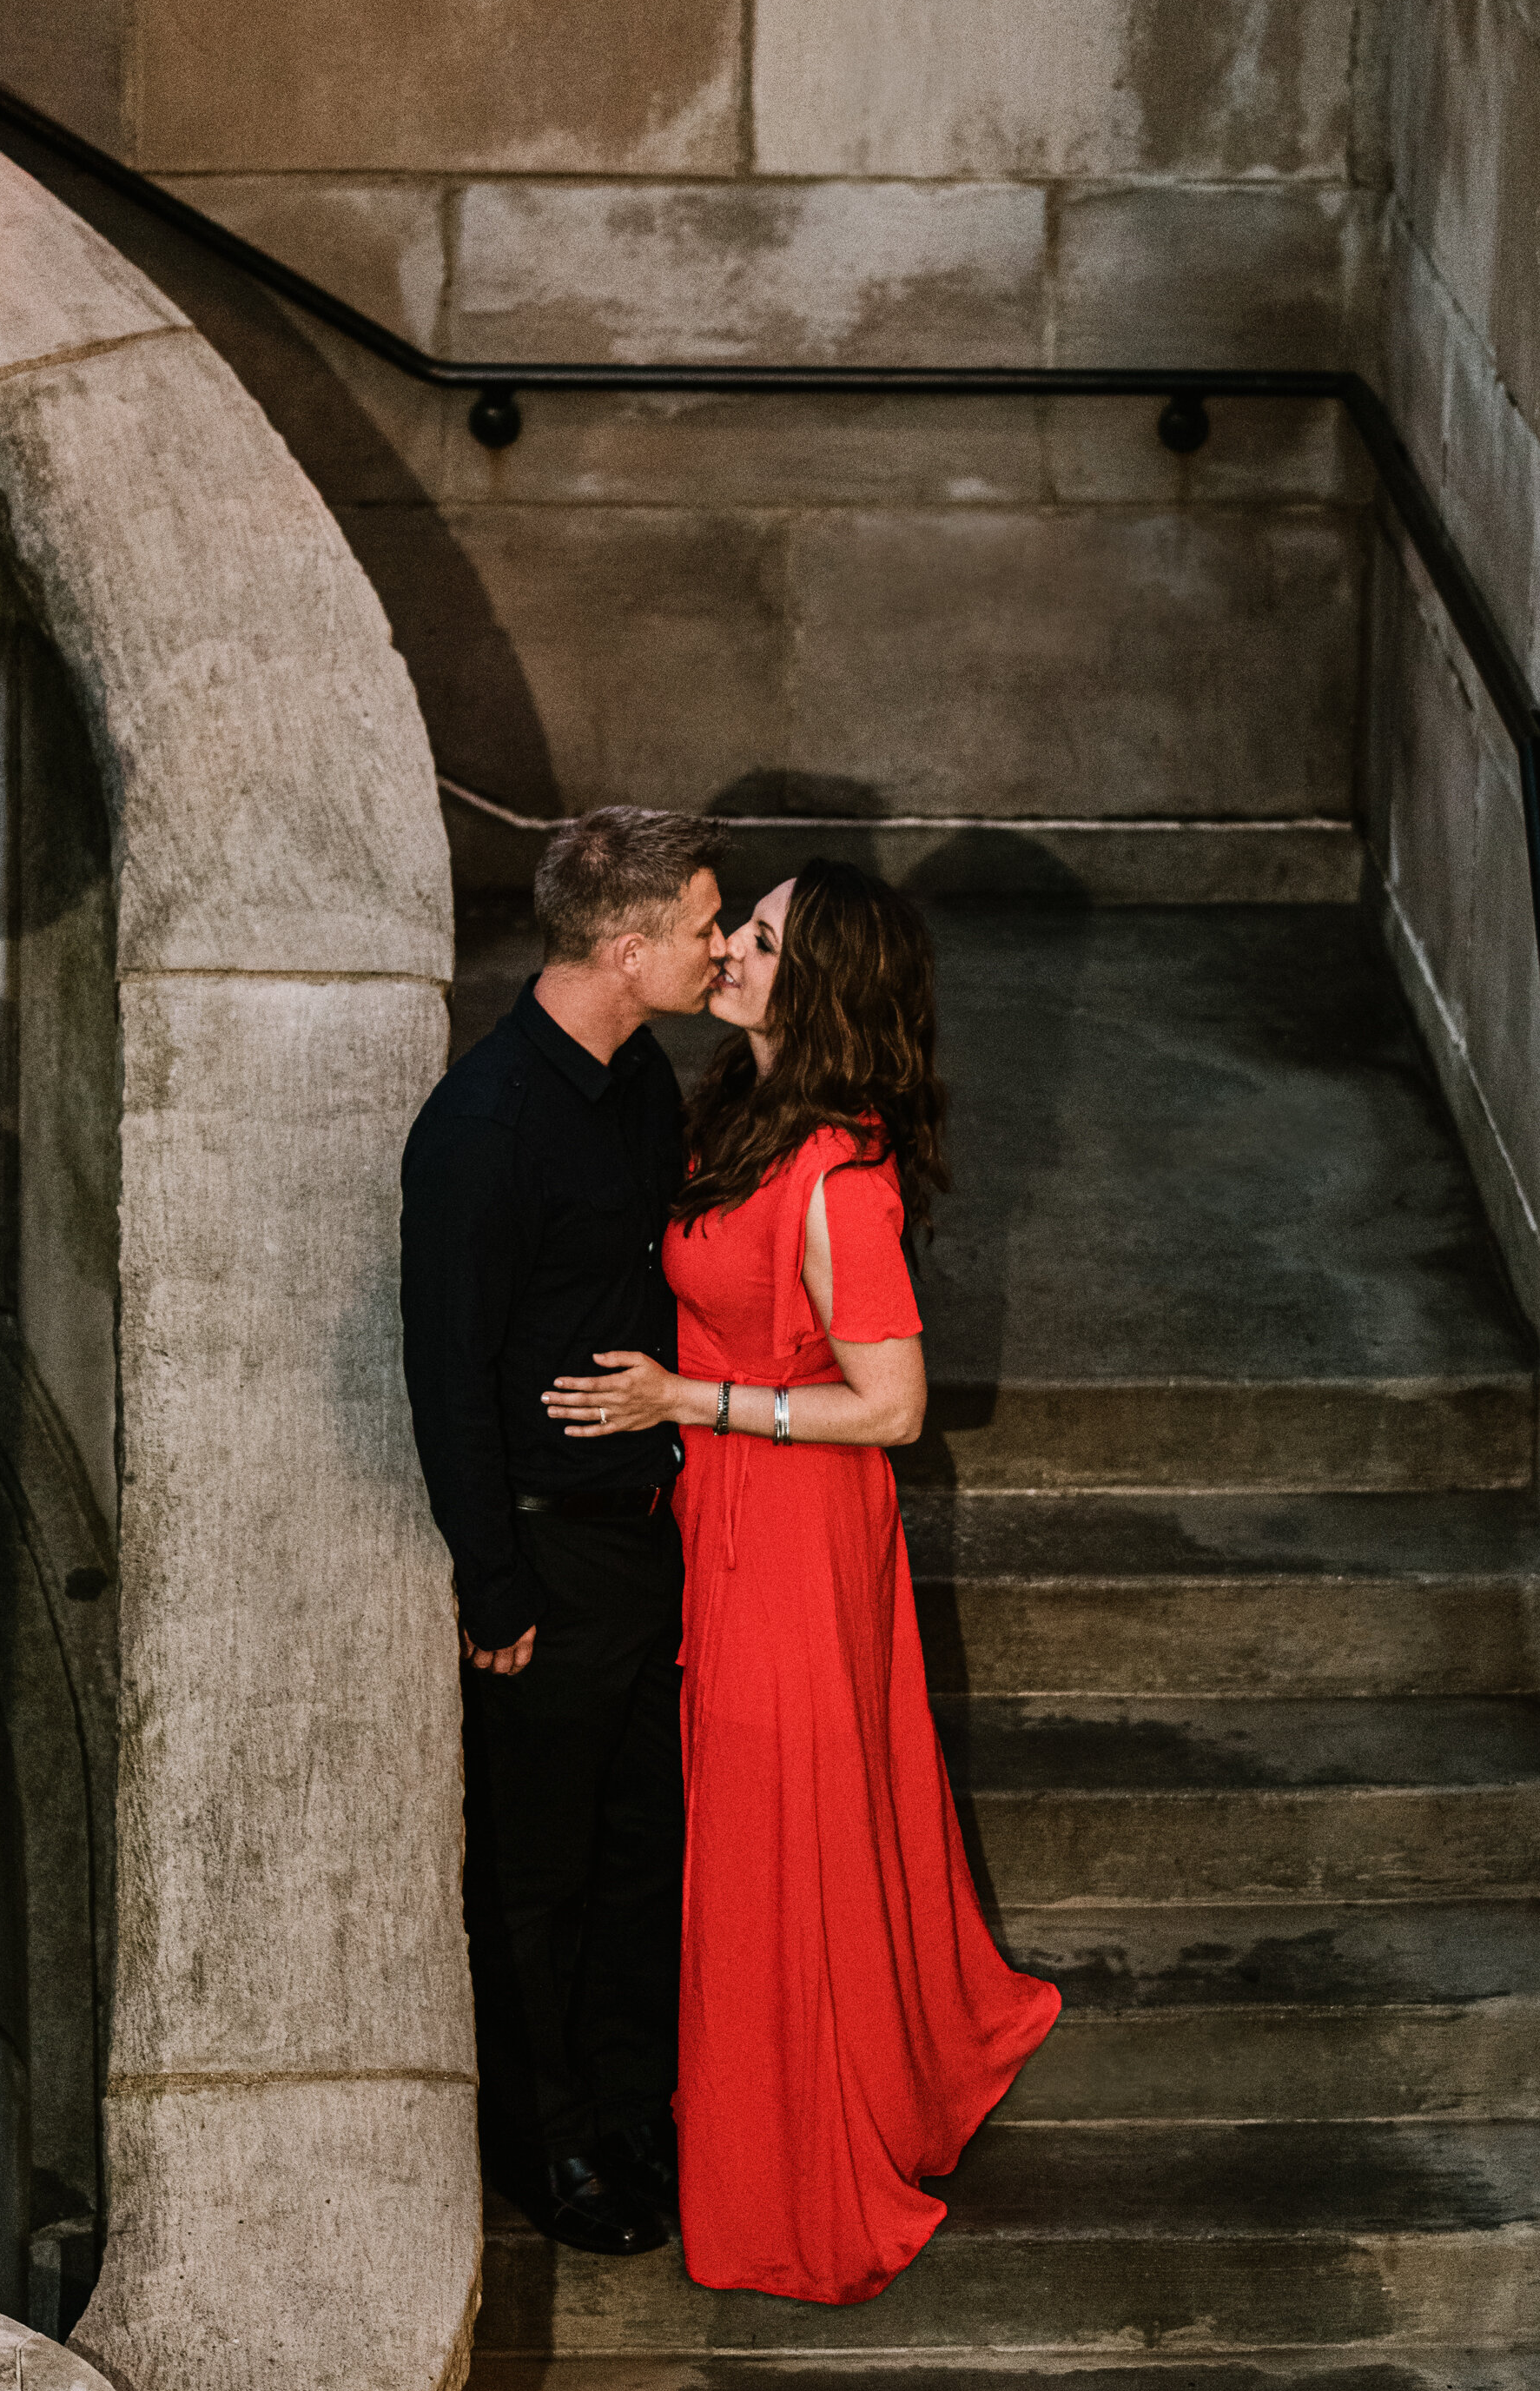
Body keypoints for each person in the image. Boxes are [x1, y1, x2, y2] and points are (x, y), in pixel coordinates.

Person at [543, 859, 1060, 2306]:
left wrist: (688, 1402)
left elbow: (892, 1405)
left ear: (815, 984)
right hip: (728, 1513)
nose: (729, 950)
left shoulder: (836, 1176)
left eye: (758, 940)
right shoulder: (738, 1108)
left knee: (775, 1836)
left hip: (787, 1523)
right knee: (742, 1822)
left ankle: (800, 2155)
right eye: (739, 928)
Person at [400, 806, 727, 2257]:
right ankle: (549, 2150)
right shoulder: (483, 1126)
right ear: (628, 945)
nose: (721, 948)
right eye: (706, 927)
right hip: (544, 1550)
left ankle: (627, 2109)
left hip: (649, 1531)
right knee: (533, 1871)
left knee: (641, 1846)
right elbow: (447, 1368)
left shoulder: (642, 1078)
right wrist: (494, 1583)